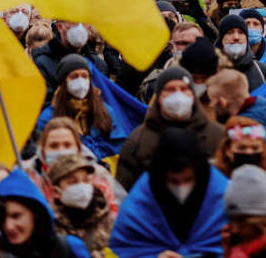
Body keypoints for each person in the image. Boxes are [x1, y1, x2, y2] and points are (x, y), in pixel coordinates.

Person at [108, 129, 229, 258]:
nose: (181, 186)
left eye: (188, 180)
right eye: (173, 181)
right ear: (160, 178)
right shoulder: (141, 200)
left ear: (201, 175)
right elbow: (123, 248)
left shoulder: (221, 193)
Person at [116, 67, 224, 191]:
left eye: (184, 89)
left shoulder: (217, 135)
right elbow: (124, 191)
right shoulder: (138, 140)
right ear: (159, 95)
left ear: (193, 94)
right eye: (170, 90)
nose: (178, 95)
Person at [22, 116, 125, 213]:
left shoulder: (97, 174)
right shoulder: (29, 178)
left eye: (67, 145)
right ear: (43, 150)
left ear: (78, 149)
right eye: (54, 146)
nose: (61, 151)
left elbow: (119, 212)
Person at [34, 55, 127, 161]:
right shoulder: (49, 117)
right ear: (64, 82)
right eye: (74, 77)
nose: (80, 81)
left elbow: (118, 145)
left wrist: (92, 155)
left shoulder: (106, 111)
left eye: (84, 76)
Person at [0, 168, 90, 257]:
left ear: (35, 214)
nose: (8, 226)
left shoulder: (69, 248)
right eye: (1, 217)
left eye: (16, 216)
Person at [47, 153, 115, 257]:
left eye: (85, 180)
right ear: (55, 192)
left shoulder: (105, 216)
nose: (81, 186)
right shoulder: (50, 228)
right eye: (72, 182)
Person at [34, 20, 108, 99]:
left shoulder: (97, 64)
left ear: (89, 28)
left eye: (84, 23)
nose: (80, 28)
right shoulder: (41, 62)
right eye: (74, 22)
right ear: (59, 27)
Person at [216, 15, 266, 91]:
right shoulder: (209, 70)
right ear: (221, 38)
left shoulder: (263, 71)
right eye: (230, 33)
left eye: (241, 32)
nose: (236, 37)